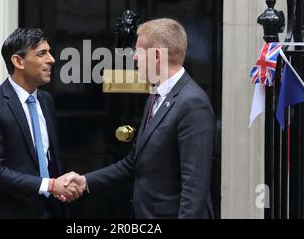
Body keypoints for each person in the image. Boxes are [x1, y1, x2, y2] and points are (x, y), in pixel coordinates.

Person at [64, 18, 215, 219]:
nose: (134, 58)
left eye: (139, 51)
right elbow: (133, 163)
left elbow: (194, 188)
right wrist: (85, 181)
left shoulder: (192, 103)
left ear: (157, 56)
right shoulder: (155, 98)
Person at [0, 28, 82, 219]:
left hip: (50, 211)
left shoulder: (46, 101)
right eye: (42, 54)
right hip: (7, 212)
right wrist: (51, 185)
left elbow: (50, 158)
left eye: (49, 52)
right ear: (18, 61)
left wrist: (61, 189)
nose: (51, 60)